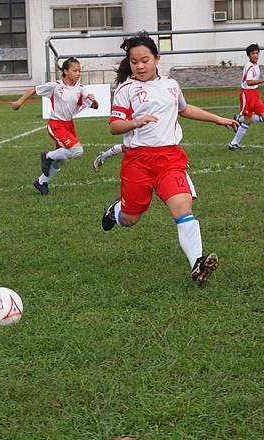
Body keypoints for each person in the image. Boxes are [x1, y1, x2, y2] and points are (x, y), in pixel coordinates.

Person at [100, 32, 239, 284]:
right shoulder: (126, 89)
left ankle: (197, 264)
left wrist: (218, 119)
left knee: (183, 209)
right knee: (131, 218)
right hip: (138, 161)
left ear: (156, 58)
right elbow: (114, 126)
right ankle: (115, 211)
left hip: (169, 159)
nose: (140, 66)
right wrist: (135, 122)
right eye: (134, 61)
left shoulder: (171, 85)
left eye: (145, 60)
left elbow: (183, 109)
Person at [11, 57, 99, 195]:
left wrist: (94, 101)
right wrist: (19, 102)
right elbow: (34, 89)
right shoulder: (56, 86)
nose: (78, 73)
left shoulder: (81, 89)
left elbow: (94, 107)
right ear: (65, 71)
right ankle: (47, 156)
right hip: (56, 125)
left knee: (60, 161)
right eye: (75, 70)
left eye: (79, 71)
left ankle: (41, 182)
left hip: (69, 125)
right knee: (77, 151)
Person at [228, 43, 264, 151]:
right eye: (253, 53)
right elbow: (249, 82)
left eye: (257, 53)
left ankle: (239, 119)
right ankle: (233, 143)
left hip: (254, 94)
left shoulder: (255, 65)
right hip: (247, 94)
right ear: (249, 55)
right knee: (248, 121)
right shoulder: (250, 66)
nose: (255, 55)